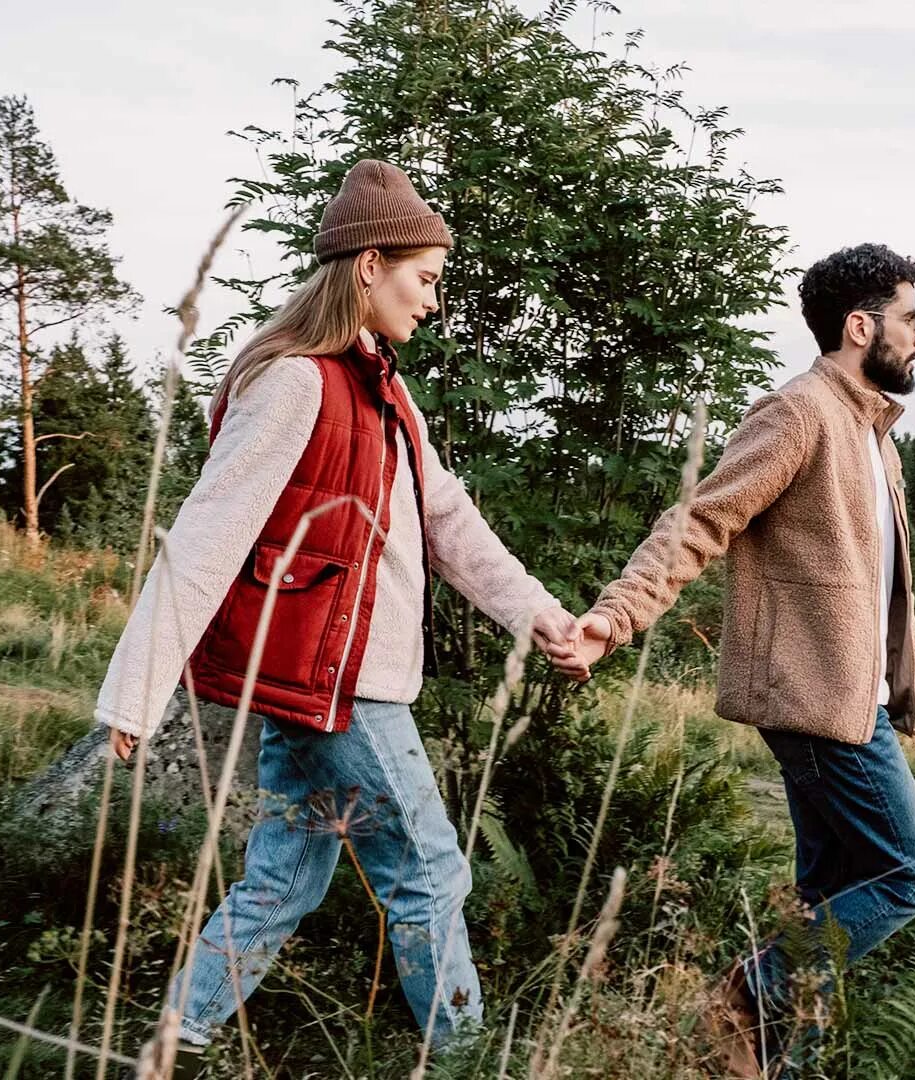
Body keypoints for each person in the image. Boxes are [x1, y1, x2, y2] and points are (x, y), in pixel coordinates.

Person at [94, 159, 588, 1061]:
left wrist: (543, 619)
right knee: (431, 868)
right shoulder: (295, 384)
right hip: (341, 686)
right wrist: (137, 687)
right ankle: (463, 1056)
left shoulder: (384, 394)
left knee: (284, 880)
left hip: (326, 687)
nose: (433, 303)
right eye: (424, 279)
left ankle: (176, 1041)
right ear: (369, 265)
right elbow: (205, 536)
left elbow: (449, 523)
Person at [573, 242, 915, 1075]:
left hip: (852, 692)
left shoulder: (872, 434)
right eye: (911, 318)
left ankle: (778, 1062)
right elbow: (699, 523)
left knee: (825, 905)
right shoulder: (797, 414)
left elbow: (881, 588)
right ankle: (749, 994)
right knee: (908, 876)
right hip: (813, 700)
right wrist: (616, 618)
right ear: (860, 327)